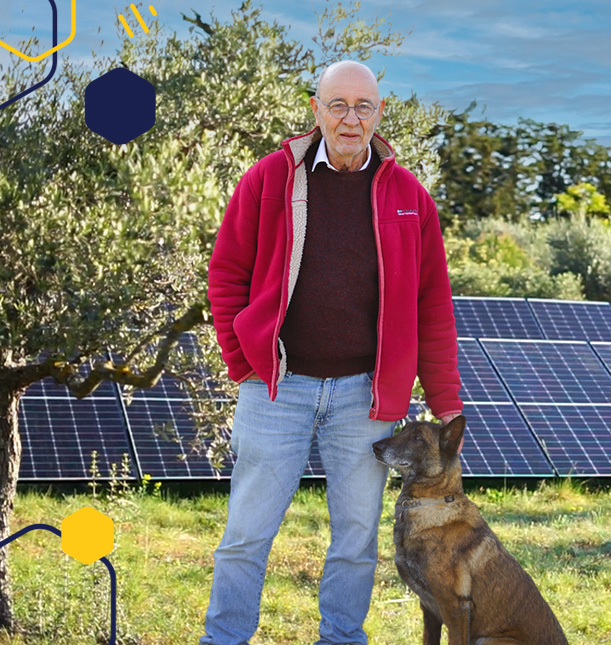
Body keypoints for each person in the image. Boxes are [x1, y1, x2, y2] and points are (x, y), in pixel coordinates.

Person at [201, 60, 463, 645]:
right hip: (277, 387)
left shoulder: (409, 198)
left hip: (365, 397)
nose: (350, 118)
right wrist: (245, 364)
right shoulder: (270, 178)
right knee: (246, 534)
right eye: (338, 104)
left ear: (379, 113)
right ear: (316, 109)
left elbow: (433, 308)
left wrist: (446, 403)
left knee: (356, 539)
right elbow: (226, 275)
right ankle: (224, 639)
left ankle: (341, 639)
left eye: (363, 106)